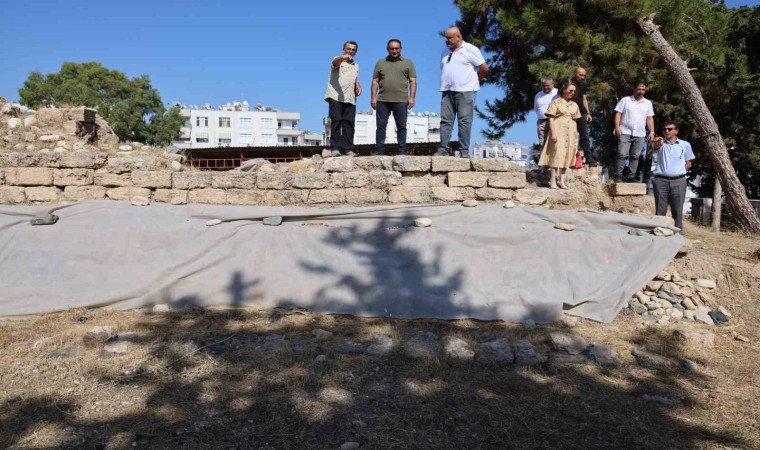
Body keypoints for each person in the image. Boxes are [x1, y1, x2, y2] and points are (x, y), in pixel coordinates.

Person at [436, 27, 489, 158]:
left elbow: (484, 68)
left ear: (458, 37)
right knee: (445, 121)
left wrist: (477, 80)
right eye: (446, 38)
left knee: (464, 121)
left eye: (449, 38)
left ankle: (464, 151)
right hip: (447, 90)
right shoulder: (445, 51)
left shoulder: (470, 49)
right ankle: (442, 149)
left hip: (466, 91)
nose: (447, 40)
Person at [370, 39, 417, 155]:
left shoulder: (408, 63)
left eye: (397, 48)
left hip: (401, 100)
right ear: (387, 49)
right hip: (382, 100)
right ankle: (379, 150)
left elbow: (412, 81)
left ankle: (402, 151)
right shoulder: (380, 63)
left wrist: (412, 98)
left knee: (401, 127)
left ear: (401, 49)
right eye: (392, 49)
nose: (394, 51)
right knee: (380, 126)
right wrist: (373, 98)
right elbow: (375, 81)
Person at [650, 121, 694, 231]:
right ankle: (659, 233)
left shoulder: (685, 145)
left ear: (676, 131)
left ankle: (677, 233)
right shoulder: (660, 143)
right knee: (660, 210)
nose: (666, 131)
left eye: (670, 129)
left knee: (677, 210)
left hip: (679, 181)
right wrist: (657, 141)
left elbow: (689, 162)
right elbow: (654, 146)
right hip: (661, 180)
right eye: (664, 129)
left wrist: (679, 171)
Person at [538, 82, 582, 189]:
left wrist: (576, 136)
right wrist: (553, 133)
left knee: (567, 155)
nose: (572, 92)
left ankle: (562, 181)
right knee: (557, 155)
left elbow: (575, 120)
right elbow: (551, 118)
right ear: (564, 90)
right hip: (558, 130)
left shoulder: (574, 105)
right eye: (570, 90)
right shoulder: (556, 102)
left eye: (574, 91)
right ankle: (552, 180)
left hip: (571, 133)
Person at [324, 41, 361, 157]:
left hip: (350, 98)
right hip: (336, 96)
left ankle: (348, 148)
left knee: (349, 123)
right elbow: (334, 63)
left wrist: (358, 86)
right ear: (344, 49)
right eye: (349, 49)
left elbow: (355, 80)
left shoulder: (356, 65)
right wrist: (343, 57)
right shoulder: (338, 59)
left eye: (353, 50)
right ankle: (335, 148)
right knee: (336, 121)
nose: (351, 51)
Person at [613, 82, 655, 181]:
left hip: (640, 133)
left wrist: (652, 131)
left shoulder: (648, 103)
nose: (641, 91)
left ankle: (631, 176)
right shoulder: (625, 100)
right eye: (639, 89)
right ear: (634, 89)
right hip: (624, 131)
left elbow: (649, 118)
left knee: (635, 156)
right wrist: (617, 127)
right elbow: (618, 114)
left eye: (643, 90)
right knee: (622, 154)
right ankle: (618, 175)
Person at [561, 67, 596, 165]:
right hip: (569, 112)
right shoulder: (566, 83)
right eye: (580, 75)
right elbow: (560, 96)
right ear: (574, 73)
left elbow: (584, 99)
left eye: (584, 75)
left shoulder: (583, 85)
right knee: (568, 135)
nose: (582, 77)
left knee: (584, 136)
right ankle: (566, 159)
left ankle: (589, 159)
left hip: (581, 113)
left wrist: (588, 113)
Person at [533, 77, 557, 148]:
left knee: (555, 143)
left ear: (553, 84)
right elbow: (536, 108)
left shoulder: (558, 93)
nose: (545, 87)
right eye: (543, 86)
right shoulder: (538, 95)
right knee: (542, 143)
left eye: (547, 85)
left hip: (555, 121)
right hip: (542, 122)